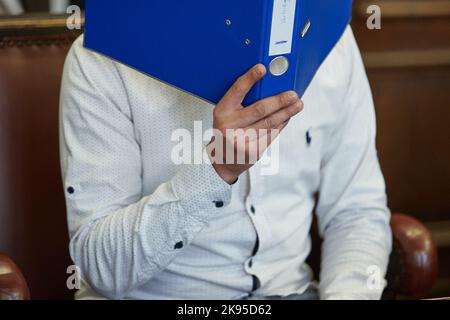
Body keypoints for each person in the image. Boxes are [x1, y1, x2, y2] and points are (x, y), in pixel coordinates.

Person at [59, 23, 392, 300]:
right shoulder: (100, 57)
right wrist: (216, 170)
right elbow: (100, 267)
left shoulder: (332, 40)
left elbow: (357, 211)